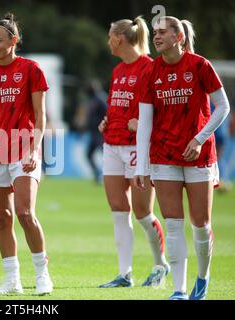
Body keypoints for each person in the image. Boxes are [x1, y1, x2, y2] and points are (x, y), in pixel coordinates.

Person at [134, 16, 230, 300]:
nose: (157, 36)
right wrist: (141, 165)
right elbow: (145, 123)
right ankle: (179, 290)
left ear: (179, 37)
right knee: (173, 223)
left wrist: (199, 139)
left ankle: (202, 277)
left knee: (200, 225)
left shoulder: (200, 65)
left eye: (163, 32)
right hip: (163, 156)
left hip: (199, 156)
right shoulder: (151, 72)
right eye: (155, 32)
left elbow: (223, 107)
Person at [0, 13, 53, 295]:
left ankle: (42, 275)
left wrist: (33, 149)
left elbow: (41, 115)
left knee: (25, 213)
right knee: (2, 217)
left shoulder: (31, 69)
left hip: (24, 151)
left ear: (13, 41)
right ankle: (11, 279)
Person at [97, 17, 169, 289]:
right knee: (118, 210)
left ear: (119, 38)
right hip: (112, 145)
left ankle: (160, 264)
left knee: (142, 212)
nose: (108, 41)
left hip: (138, 148)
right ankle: (124, 274)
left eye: (110, 36)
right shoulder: (117, 71)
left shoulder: (150, 68)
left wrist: (144, 125)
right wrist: (108, 120)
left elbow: (164, 108)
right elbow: (118, 104)